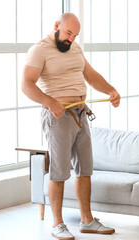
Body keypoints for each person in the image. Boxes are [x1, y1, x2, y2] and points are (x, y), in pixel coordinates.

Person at [21, 13, 120, 240]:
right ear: (57, 26)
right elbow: (26, 84)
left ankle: (87, 221)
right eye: (68, 33)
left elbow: (90, 74)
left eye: (75, 35)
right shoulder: (40, 49)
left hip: (80, 113)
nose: (71, 39)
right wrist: (49, 102)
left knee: (85, 169)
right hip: (58, 116)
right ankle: (57, 224)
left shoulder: (75, 48)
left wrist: (110, 90)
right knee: (59, 172)